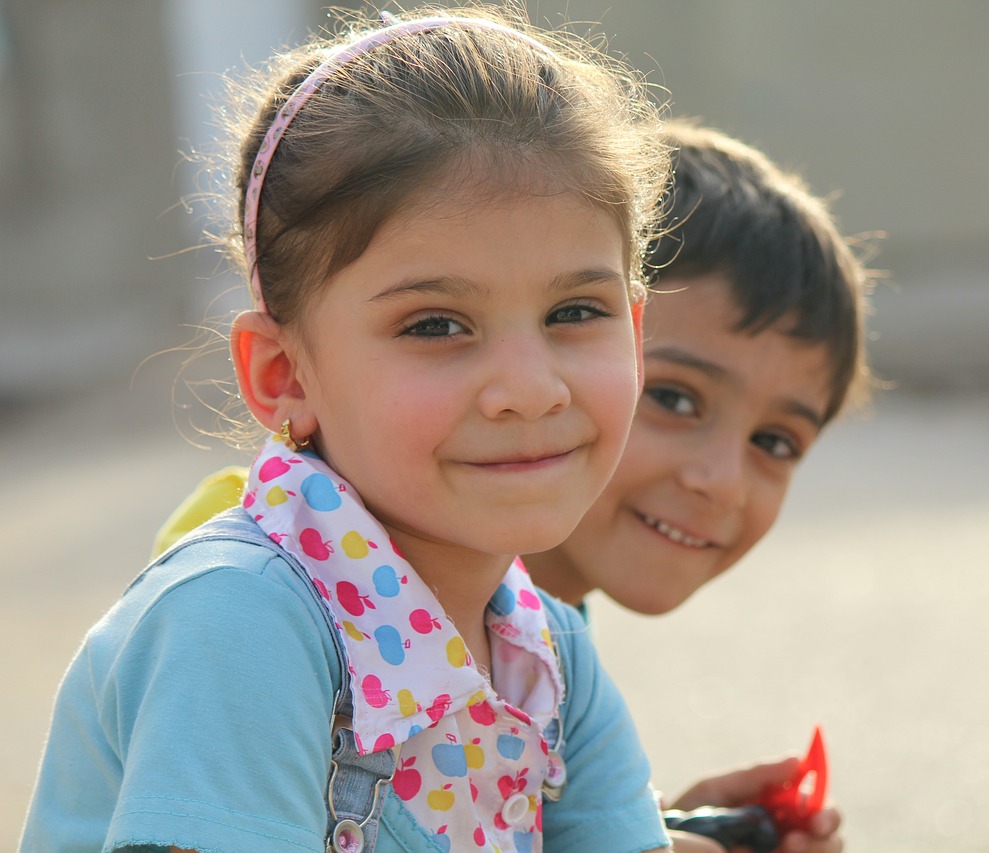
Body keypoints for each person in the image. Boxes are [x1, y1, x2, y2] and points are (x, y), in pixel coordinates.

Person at [20, 7, 673, 853]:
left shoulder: (546, 652)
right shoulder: (239, 623)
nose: (530, 388)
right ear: (282, 373)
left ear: (636, 327)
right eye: (436, 325)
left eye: (575, 312)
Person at [524, 121, 870, 853]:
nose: (720, 481)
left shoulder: (544, 637)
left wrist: (645, 824)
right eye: (676, 399)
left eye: (774, 442)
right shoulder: (329, 594)